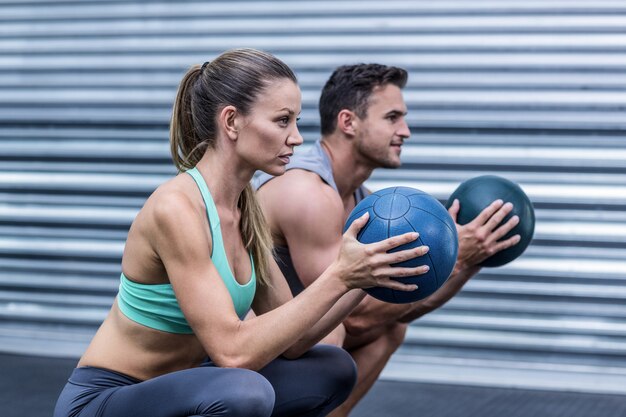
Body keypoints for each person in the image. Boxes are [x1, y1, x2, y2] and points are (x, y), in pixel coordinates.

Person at [53, 50, 431, 417]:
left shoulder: (244, 208)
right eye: (283, 121)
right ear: (231, 121)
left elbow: (297, 340)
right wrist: (339, 274)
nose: (297, 138)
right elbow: (232, 353)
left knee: (332, 368)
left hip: (192, 387)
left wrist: (364, 275)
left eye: (296, 121)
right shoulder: (177, 208)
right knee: (244, 392)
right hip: (110, 396)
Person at [254, 63, 521, 416]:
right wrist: (458, 258)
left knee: (391, 330)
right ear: (348, 122)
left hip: (292, 343)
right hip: (240, 348)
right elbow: (355, 320)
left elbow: (398, 306)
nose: (405, 131)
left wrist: (465, 262)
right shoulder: (309, 193)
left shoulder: (362, 199)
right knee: (336, 338)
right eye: (392, 117)